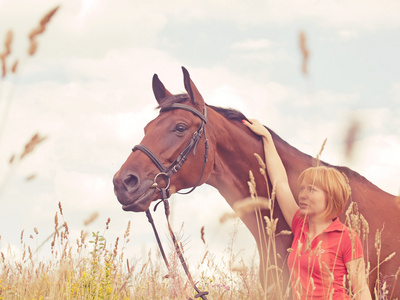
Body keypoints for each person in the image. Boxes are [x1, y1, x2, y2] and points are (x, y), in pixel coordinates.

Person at [243, 119, 372, 300]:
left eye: (311, 189)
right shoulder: (299, 224)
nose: (302, 195)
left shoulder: (347, 237)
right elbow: (280, 183)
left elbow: (361, 289)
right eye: (302, 188)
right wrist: (267, 138)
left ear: (330, 195)